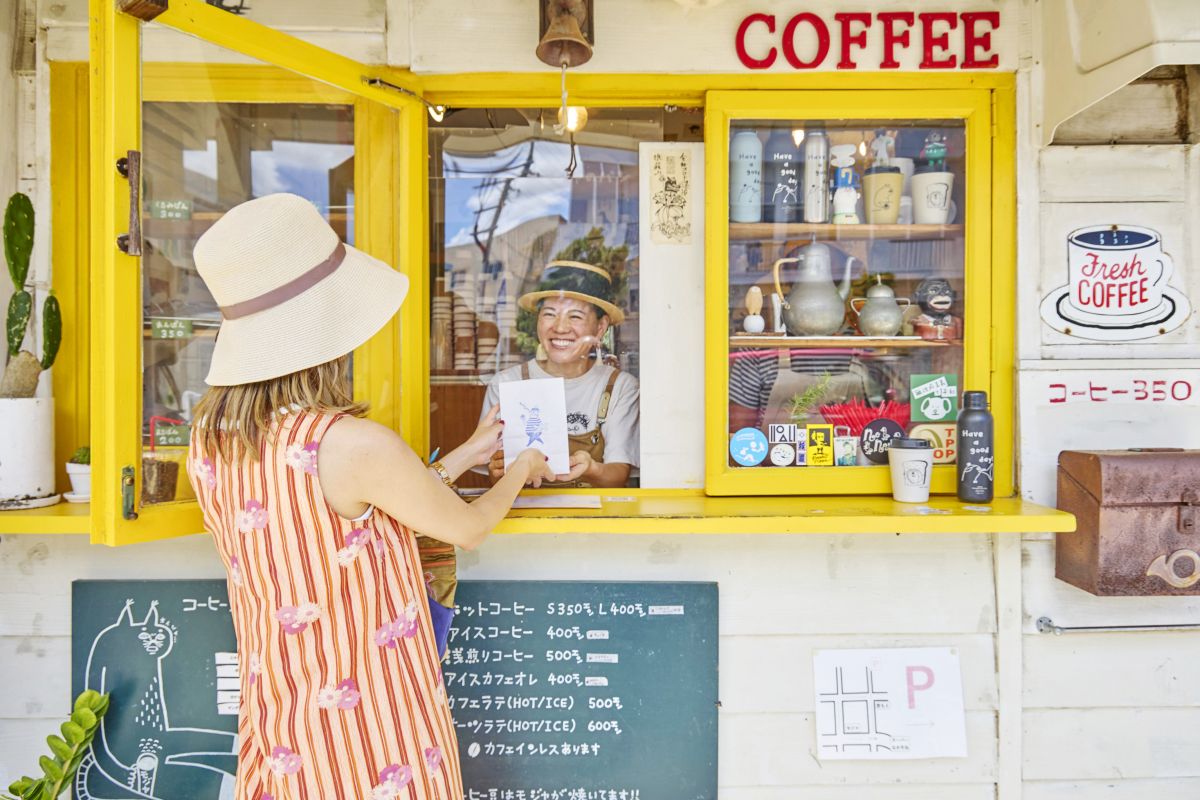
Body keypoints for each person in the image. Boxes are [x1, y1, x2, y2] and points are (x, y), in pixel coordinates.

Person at [186, 193, 559, 800]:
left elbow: (346, 516)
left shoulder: (211, 442)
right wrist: (521, 466)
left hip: (282, 718)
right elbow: (468, 528)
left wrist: (466, 453)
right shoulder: (353, 442)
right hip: (377, 724)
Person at [480, 260, 640, 488]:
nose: (560, 327)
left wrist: (592, 469)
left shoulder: (618, 386)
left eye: (575, 316)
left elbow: (618, 475)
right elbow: (494, 476)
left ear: (600, 327)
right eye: (549, 314)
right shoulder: (506, 384)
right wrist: (497, 470)